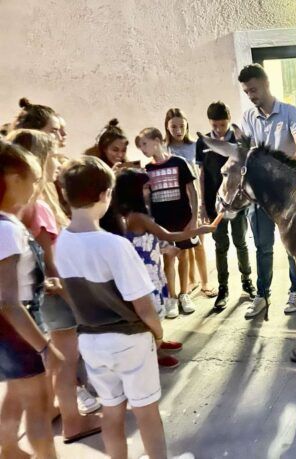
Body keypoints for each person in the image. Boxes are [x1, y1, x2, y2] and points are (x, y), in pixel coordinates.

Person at [55, 156, 175, 459]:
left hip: (91, 341)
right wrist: (158, 334)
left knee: (112, 410)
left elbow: (71, 295)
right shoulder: (114, 245)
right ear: (105, 195)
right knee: (146, 410)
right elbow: (143, 306)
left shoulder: (60, 243)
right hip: (130, 340)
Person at [8, 129, 103, 443]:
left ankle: (50, 416)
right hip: (56, 294)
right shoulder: (38, 207)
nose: (57, 163)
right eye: (52, 157)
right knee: (65, 361)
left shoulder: (26, 206)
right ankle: (73, 422)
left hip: (42, 296)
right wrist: (74, 295)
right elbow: (49, 263)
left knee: (52, 367)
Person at [112, 168, 218, 367]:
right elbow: (168, 235)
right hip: (145, 272)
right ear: (133, 191)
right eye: (144, 187)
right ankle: (155, 351)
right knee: (150, 310)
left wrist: (166, 250)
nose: (149, 189)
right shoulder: (138, 216)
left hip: (151, 268)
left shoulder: (133, 214)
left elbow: (146, 241)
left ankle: (158, 343)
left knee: (154, 308)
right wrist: (199, 230)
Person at [0, 140, 63, 459]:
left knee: (15, 390)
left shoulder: (6, 224)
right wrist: (44, 347)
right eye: (33, 179)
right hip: (20, 331)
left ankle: (8, 446)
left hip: (11, 330)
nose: (37, 188)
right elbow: (9, 302)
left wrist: (40, 283)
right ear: (12, 179)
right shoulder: (6, 230)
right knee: (38, 407)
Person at [238, 63, 296, 319]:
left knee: (292, 247)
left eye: (254, 89)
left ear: (266, 84)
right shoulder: (248, 117)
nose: (251, 96)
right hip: (259, 196)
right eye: (246, 92)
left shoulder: (289, 112)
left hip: (287, 196)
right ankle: (262, 295)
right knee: (262, 247)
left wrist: (281, 173)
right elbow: (245, 152)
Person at [196, 101, 255, 310]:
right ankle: (223, 288)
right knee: (221, 246)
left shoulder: (238, 141)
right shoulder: (202, 143)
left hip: (237, 203)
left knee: (241, 243)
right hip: (216, 204)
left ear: (229, 120)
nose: (219, 130)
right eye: (215, 126)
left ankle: (247, 282)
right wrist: (203, 204)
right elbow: (202, 175)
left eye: (222, 125)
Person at [136, 127, 201, 317]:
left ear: (157, 140)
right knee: (168, 258)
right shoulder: (147, 170)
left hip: (182, 217)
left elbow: (193, 191)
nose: (143, 150)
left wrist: (194, 218)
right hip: (161, 221)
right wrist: (145, 194)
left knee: (184, 256)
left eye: (145, 144)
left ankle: (184, 293)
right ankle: (171, 297)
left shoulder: (179, 162)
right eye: (141, 148)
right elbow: (146, 201)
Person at [165, 108, 217, 299]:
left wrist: (203, 203)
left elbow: (202, 176)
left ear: (187, 125)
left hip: (195, 201)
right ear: (167, 127)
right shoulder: (164, 149)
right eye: (173, 127)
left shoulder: (195, 146)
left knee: (199, 244)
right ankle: (191, 280)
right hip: (175, 206)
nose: (178, 130)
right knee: (181, 249)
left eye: (181, 125)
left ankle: (205, 282)